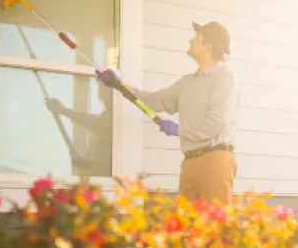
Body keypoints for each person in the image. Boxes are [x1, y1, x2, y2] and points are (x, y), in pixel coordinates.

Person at [96, 21, 241, 206]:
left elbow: (217, 122)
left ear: (208, 45)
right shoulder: (187, 82)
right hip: (189, 161)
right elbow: (153, 101)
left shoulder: (225, 76)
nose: (191, 39)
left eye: (197, 37)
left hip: (215, 159)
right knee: (186, 225)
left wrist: (179, 129)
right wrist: (120, 86)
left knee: (215, 225)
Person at [44, 93, 113, 178]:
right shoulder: (98, 136)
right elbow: (98, 164)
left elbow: (95, 123)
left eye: (103, 86)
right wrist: (81, 163)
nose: (100, 90)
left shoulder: (114, 118)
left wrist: (62, 110)